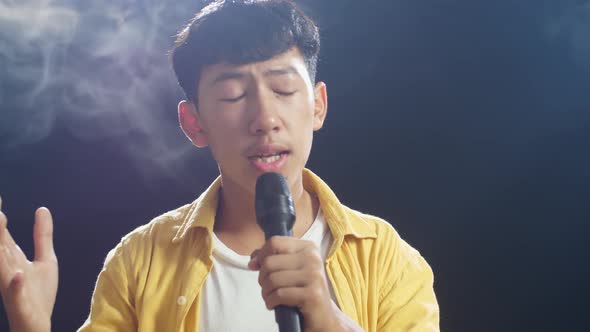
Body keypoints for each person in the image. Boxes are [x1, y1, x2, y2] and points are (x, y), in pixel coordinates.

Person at [0, 1, 439, 331]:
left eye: (283, 89)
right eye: (232, 96)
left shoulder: (386, 258)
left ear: (318, 106)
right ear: (193, 123)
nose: (264, 119)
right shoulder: (141, 261)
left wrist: (328, 319)